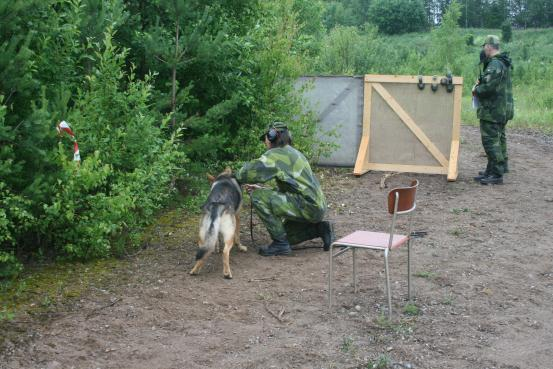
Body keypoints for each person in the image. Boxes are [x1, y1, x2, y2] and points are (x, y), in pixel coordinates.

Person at [235, 121, 334, 256]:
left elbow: (244, 174)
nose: (265, 142)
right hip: (316, 206)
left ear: (272, 136)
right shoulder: (294, 153)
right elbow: (292, 189)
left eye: (265, 138)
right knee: (287, 236)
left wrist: (231, 175)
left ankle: (280, 245)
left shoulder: (275, 155)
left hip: (307, 205)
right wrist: (262, 187)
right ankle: (320, 229)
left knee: (258, 196)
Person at [472, 35, 514, 185]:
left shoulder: (495, 64)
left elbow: (487, 88)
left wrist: (476, 89)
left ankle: (496, 174)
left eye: (484, 46)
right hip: (501, 109)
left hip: (493, 110)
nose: (483, 49)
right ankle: (496, 168)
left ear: (489, 46)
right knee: (499, 139)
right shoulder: (503, 62)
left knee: (490, 141)